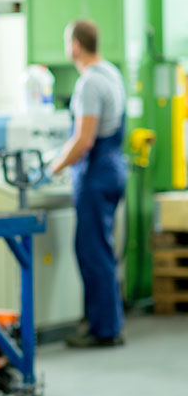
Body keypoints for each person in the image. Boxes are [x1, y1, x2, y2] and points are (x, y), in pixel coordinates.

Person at [50, 19, 127, 348]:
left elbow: (83, 140)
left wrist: (54, 166)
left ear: (76, 45)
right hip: (113, 168)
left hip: (96, 175)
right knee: (102, 249)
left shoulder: (90, 84)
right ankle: (107, 322)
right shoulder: (111, 72)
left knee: (92, 252)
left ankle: (103, 329)